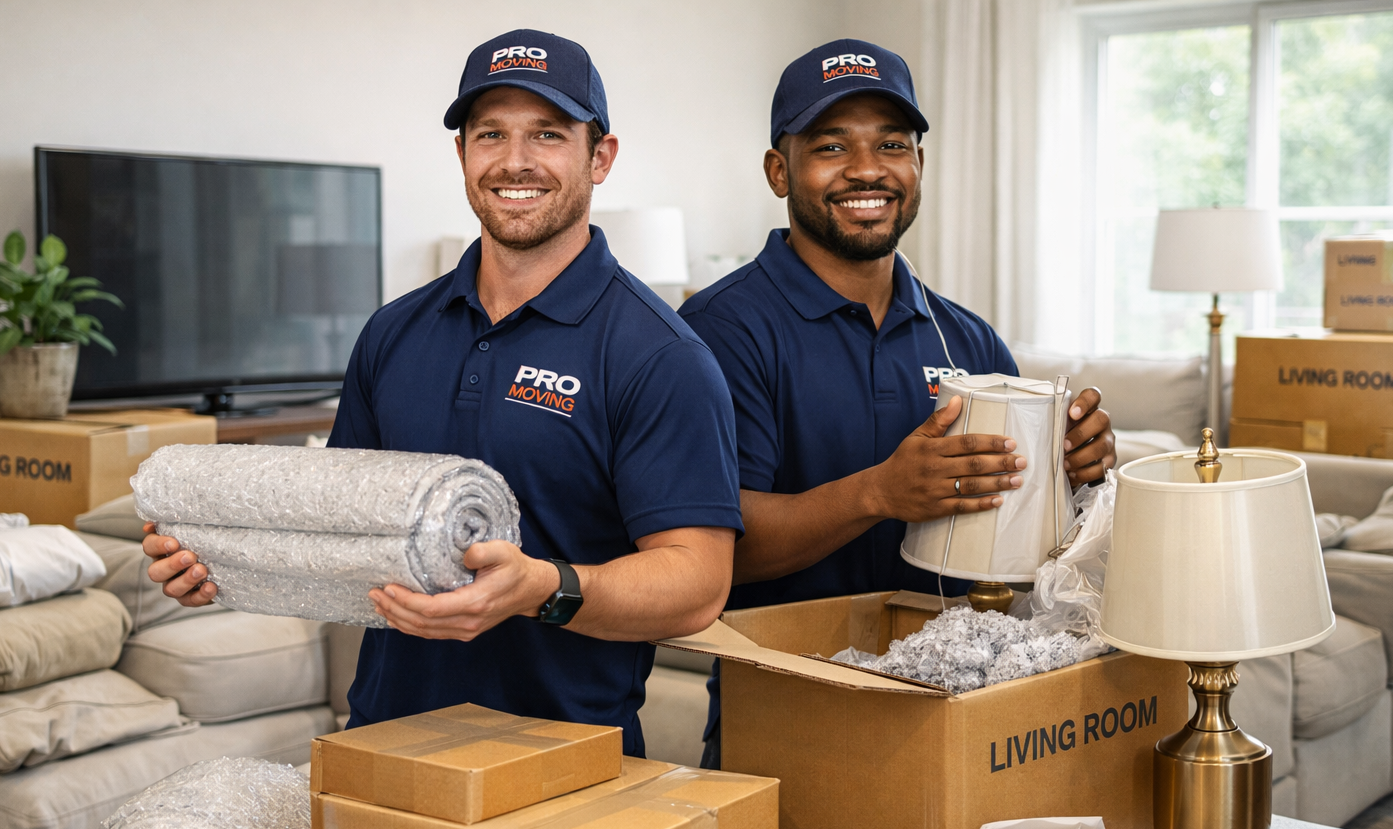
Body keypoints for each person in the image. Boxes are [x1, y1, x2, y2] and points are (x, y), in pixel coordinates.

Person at [143, 29, 743, 756]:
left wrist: (541, 589)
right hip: (382, 746)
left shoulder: (660, 356)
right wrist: (223, 565)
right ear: (463, 154)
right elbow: (334, 528)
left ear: (600, 156)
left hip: (565, 765)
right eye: (490, 133)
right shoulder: (393, 333)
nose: (515, 161)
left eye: (547, 134)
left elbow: (698, 582)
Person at [679, 39, 1116, 769]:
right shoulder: (719, 333)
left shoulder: (968, 337)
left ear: (918, 166)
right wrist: (880, 492)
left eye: (892, 144)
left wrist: (1074, 476)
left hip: (958, 713)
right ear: (777, 169)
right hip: (789, 719)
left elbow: (1025, 549)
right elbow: (712, 557)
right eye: (830, 146)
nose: (867, 169)